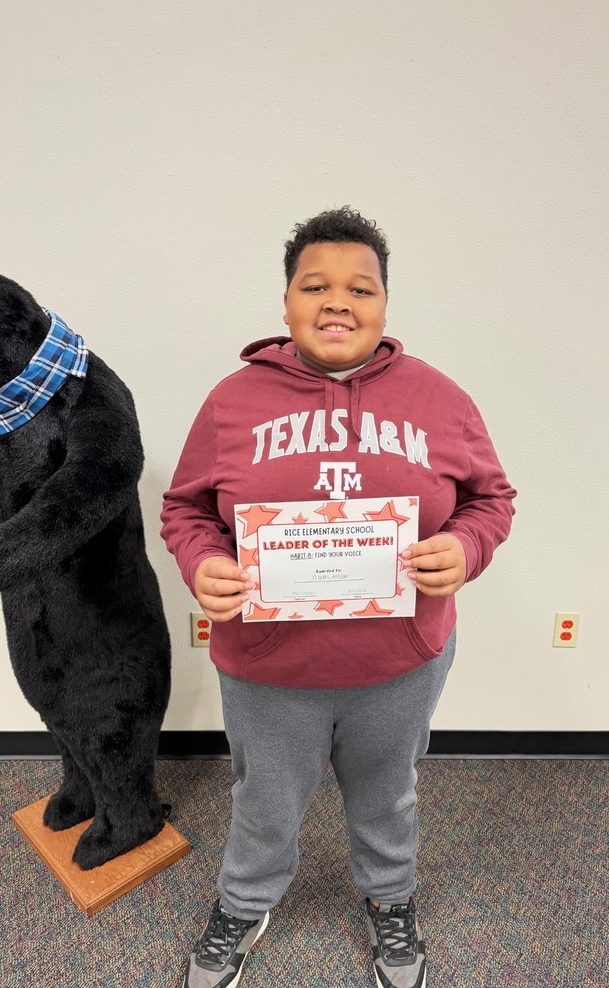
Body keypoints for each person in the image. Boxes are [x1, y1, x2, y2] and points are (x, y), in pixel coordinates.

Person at [161, 206, 516, 988]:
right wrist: (202, 564)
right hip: (267, 664)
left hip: (399, 659)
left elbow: (492, 501)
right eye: (314, 285)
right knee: (263, 803)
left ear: (385, 305)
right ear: (285, 303)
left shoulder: (441, 398)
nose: (337, 302)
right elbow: (184, 509)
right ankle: (242, 904)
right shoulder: (232, 402)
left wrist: (464, 548)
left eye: (361, 287)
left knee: (388, 798)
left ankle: (391, 902)